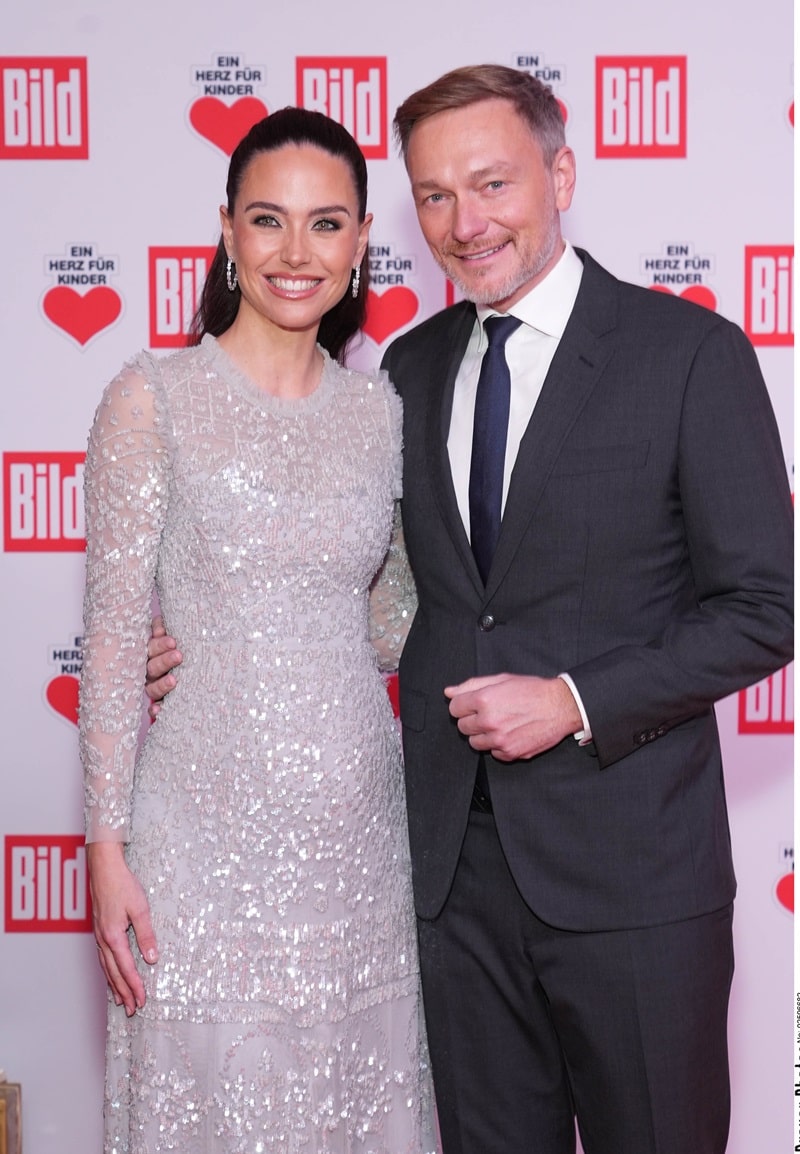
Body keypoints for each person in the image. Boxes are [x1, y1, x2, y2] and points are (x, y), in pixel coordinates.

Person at [146, 66, 794, 1154]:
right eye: (434, 196)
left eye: (489, 183)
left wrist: (574, 699)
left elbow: (762, 608)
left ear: (561, 173)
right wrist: (209, 649)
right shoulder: (407, 368)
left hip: (632, 880)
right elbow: (372, 589)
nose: (464, 222)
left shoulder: (686, 355)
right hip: (449, 884)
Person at [79, 107, 435, 1154]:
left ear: (362, 239)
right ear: (226, 231)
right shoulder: (152, 397)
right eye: (267, 220)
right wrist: (106, 847)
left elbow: (390, 622)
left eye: (325, 224)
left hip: (359, 839)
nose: (295, 252)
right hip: (199, 835)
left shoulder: (380, 414)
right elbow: (107, 640)